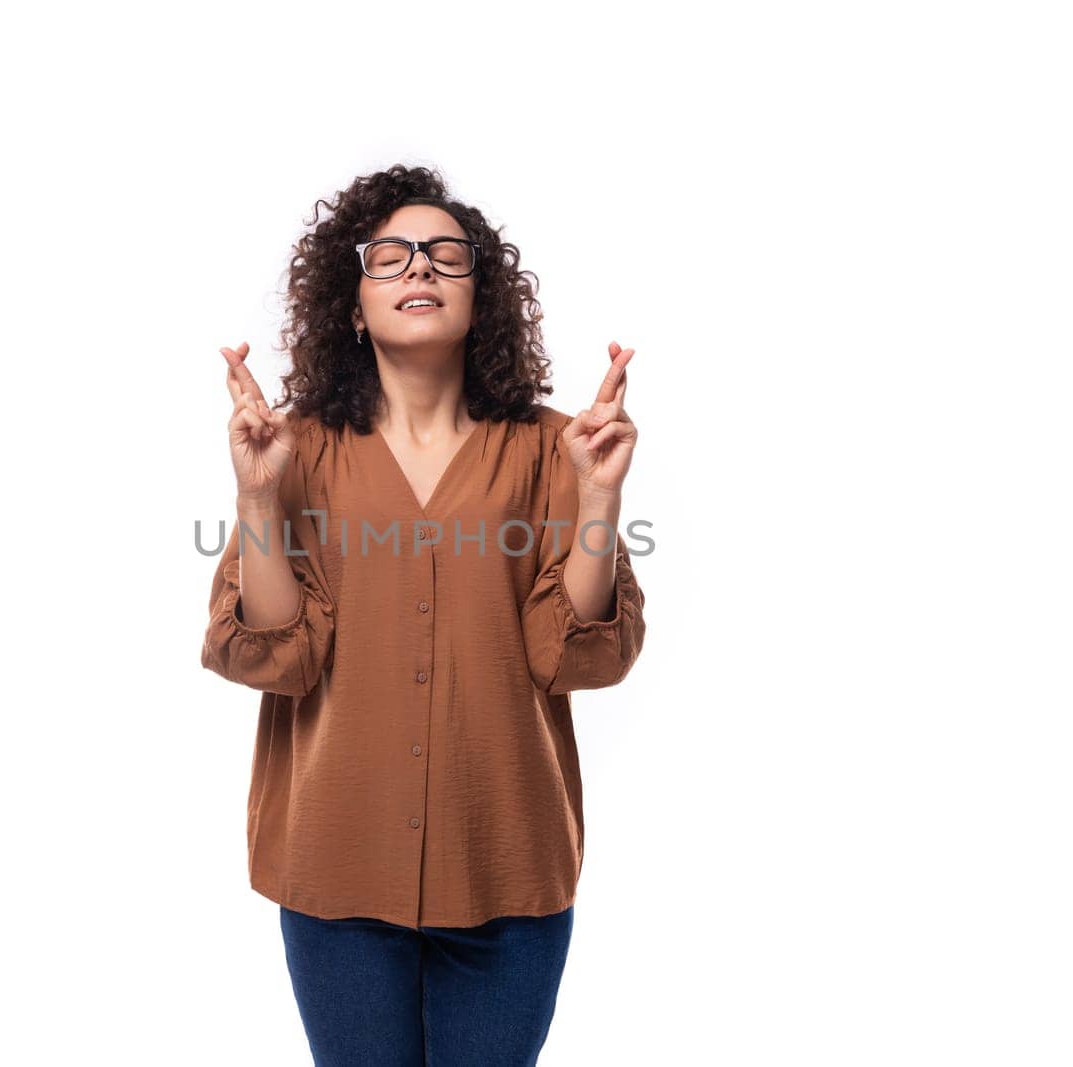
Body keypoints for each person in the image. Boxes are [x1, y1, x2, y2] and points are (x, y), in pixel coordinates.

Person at [200, 164, 646, 1066]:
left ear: (483, 297)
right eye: (390, 255)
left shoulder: (555, 447)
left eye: (446, 254)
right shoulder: (298, 447)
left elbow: (577, 659)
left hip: (509, 865)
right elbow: (278, 656)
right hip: (336, 870)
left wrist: (597, 500)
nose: (420, 268)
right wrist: (257, 496)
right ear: (351, 302)